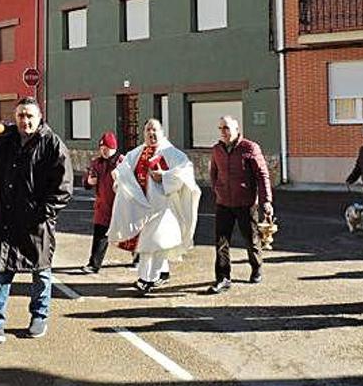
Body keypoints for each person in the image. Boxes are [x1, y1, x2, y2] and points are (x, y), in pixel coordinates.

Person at [0, 97, 73, 343]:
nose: (24, 121)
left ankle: (39, 316)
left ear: (39, 118)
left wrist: (43, 213)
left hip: (35, 222)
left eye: (29, 116)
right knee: (1, 270)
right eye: (20, 116)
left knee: (41, 271)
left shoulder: (52, 144)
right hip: (4, 218)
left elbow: (63, 187)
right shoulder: (6, 140)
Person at [109, 118, 201, 294]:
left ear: (162, 132)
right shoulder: (136, 153)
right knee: (146, 244)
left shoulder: (172, 153)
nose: (151, 134)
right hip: (143, 208)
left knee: (158, 243)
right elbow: (123, 171)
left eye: (155, 130)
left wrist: (165, 176)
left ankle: (150, 278)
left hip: (164, 207)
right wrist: (119, 178)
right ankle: (152, 276)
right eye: (148, 130)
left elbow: (185, 171)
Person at [207, 115, 273, 294]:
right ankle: (223, 278)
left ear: (236, 130)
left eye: (227, 128)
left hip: (246, 203)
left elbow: (262, 175)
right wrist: (218, 189)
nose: (223, 132)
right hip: (223, 203)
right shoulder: (216, 149)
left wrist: (266, 200)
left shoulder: (249, 148)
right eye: (220, 128)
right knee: (221, 241)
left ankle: (256, 267)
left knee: (251, 239)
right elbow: (213, 173)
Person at [81, 131, 123, 274]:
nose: (104, 151)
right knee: (100, 236)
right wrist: (88, 181)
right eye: (102, 148)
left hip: (121, 205)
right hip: (103, 206)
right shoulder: (96, 163)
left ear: (114, 148)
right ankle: (94, 264)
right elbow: (86, 181)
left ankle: (138, 257)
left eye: (107, 149)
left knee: (132, 233)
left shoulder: (122, 162)